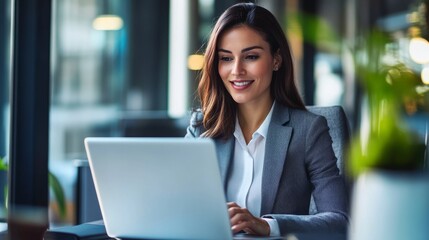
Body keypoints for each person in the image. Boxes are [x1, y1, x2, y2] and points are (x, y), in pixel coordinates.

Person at [185, 2, 348, 237]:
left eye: (251, 56)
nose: (237, 70)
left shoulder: (308, 130)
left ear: (276, 60)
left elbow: (339, 221)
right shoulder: (201, 127)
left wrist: (266, 225)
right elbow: (177, 205)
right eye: (226, 58)